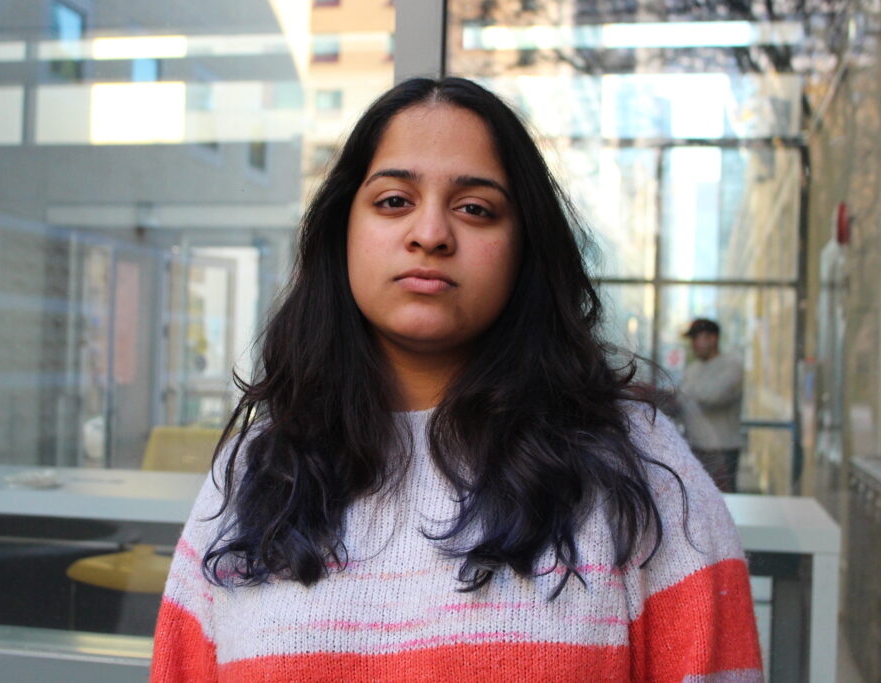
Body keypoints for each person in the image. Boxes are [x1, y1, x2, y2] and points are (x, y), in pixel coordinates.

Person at [151, 78, 761, 681]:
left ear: (525, 248)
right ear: (342, 233)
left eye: (475, 208)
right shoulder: (255, 473)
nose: (431, 234)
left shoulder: (644, 468)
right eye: (394, 201)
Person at [677, 318, 745, 493]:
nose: (693, 345)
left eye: (696, 338)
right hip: (696, 448)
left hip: (723, 450)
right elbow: (681, 400)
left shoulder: (731, 366)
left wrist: (685, 391)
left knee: (724, 502)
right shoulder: (693, 368)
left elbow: (712, 396)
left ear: (713, 339)